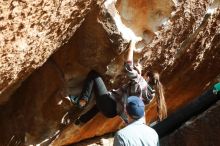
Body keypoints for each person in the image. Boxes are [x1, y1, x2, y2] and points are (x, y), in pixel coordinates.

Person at [69, 40, 167, 125]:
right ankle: (81, 120)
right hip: (112, 112)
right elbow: (139, 90)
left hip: (109, 104)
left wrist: (132, 43)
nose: (142, 76)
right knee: (98, 104)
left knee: (94, 76)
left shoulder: (140, 81)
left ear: (148, 78)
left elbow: (128, 65)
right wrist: (140, 74)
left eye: (144, 75)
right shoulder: (151, 95)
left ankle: (82, 101)